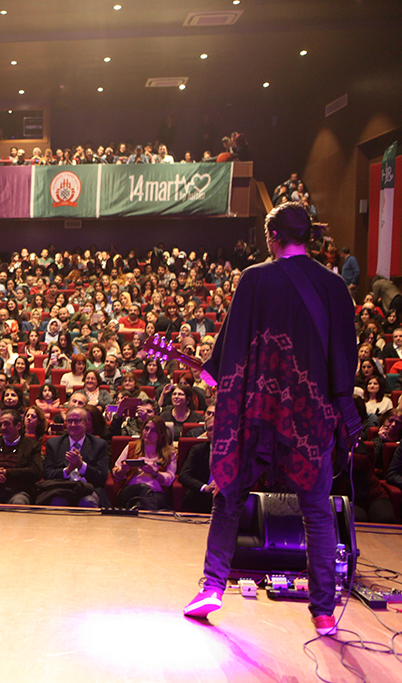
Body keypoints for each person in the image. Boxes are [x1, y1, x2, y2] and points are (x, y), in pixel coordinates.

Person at [183, 203, 361, 638]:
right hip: (309, 414)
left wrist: (209, 371)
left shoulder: (255, 278)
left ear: (272, 236)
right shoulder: (334, 285)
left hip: (258, 411)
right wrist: (341, 409)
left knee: (229, 499)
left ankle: (211, 587)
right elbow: (345, 354)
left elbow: (230, 350)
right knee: (317, 511)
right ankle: (322, 611)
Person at [42, 406, 108, 507]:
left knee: (89, 501)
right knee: (58, 502)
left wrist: (81, 466)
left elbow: (102, 477)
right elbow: (47, 474)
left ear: (86, 423)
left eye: (77, 421)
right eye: (69, 421)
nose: (73, 425)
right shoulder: (54, 444)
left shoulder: (99, 444)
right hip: (61, 488)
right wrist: (68, 470)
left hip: (88, 489)